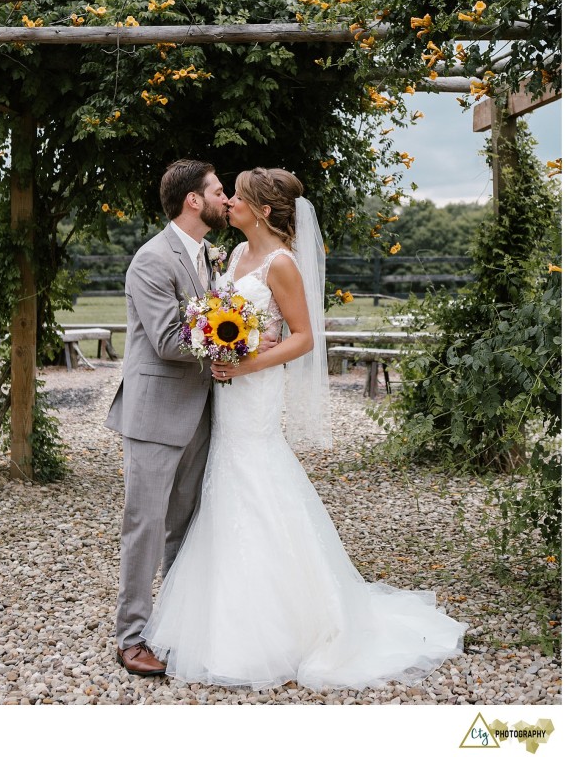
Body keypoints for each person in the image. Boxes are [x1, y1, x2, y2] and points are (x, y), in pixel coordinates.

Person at [141, 167, 468, 691]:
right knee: (225, 484)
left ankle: (284, 627)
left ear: (263, 211)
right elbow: (227, 320)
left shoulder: (282, 263)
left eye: (238, 197)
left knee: (256, 478)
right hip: (227, 393)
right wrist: (229, 346)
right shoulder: (232, 256)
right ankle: (224, 615)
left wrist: (247, 362)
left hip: (254, 392)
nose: (229, 203)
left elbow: (305, 338)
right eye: (228, 195)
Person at [104, 158, 229, 676]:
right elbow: (166, 340)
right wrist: (236, 343)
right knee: (146, 527)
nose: (226, 199)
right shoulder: (151, 260)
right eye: (218, 191)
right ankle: (131, 637)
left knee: (186, 524)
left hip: (202, 410)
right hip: (156, 411)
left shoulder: (209, 257)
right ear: (193, 200)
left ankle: (175, 627)